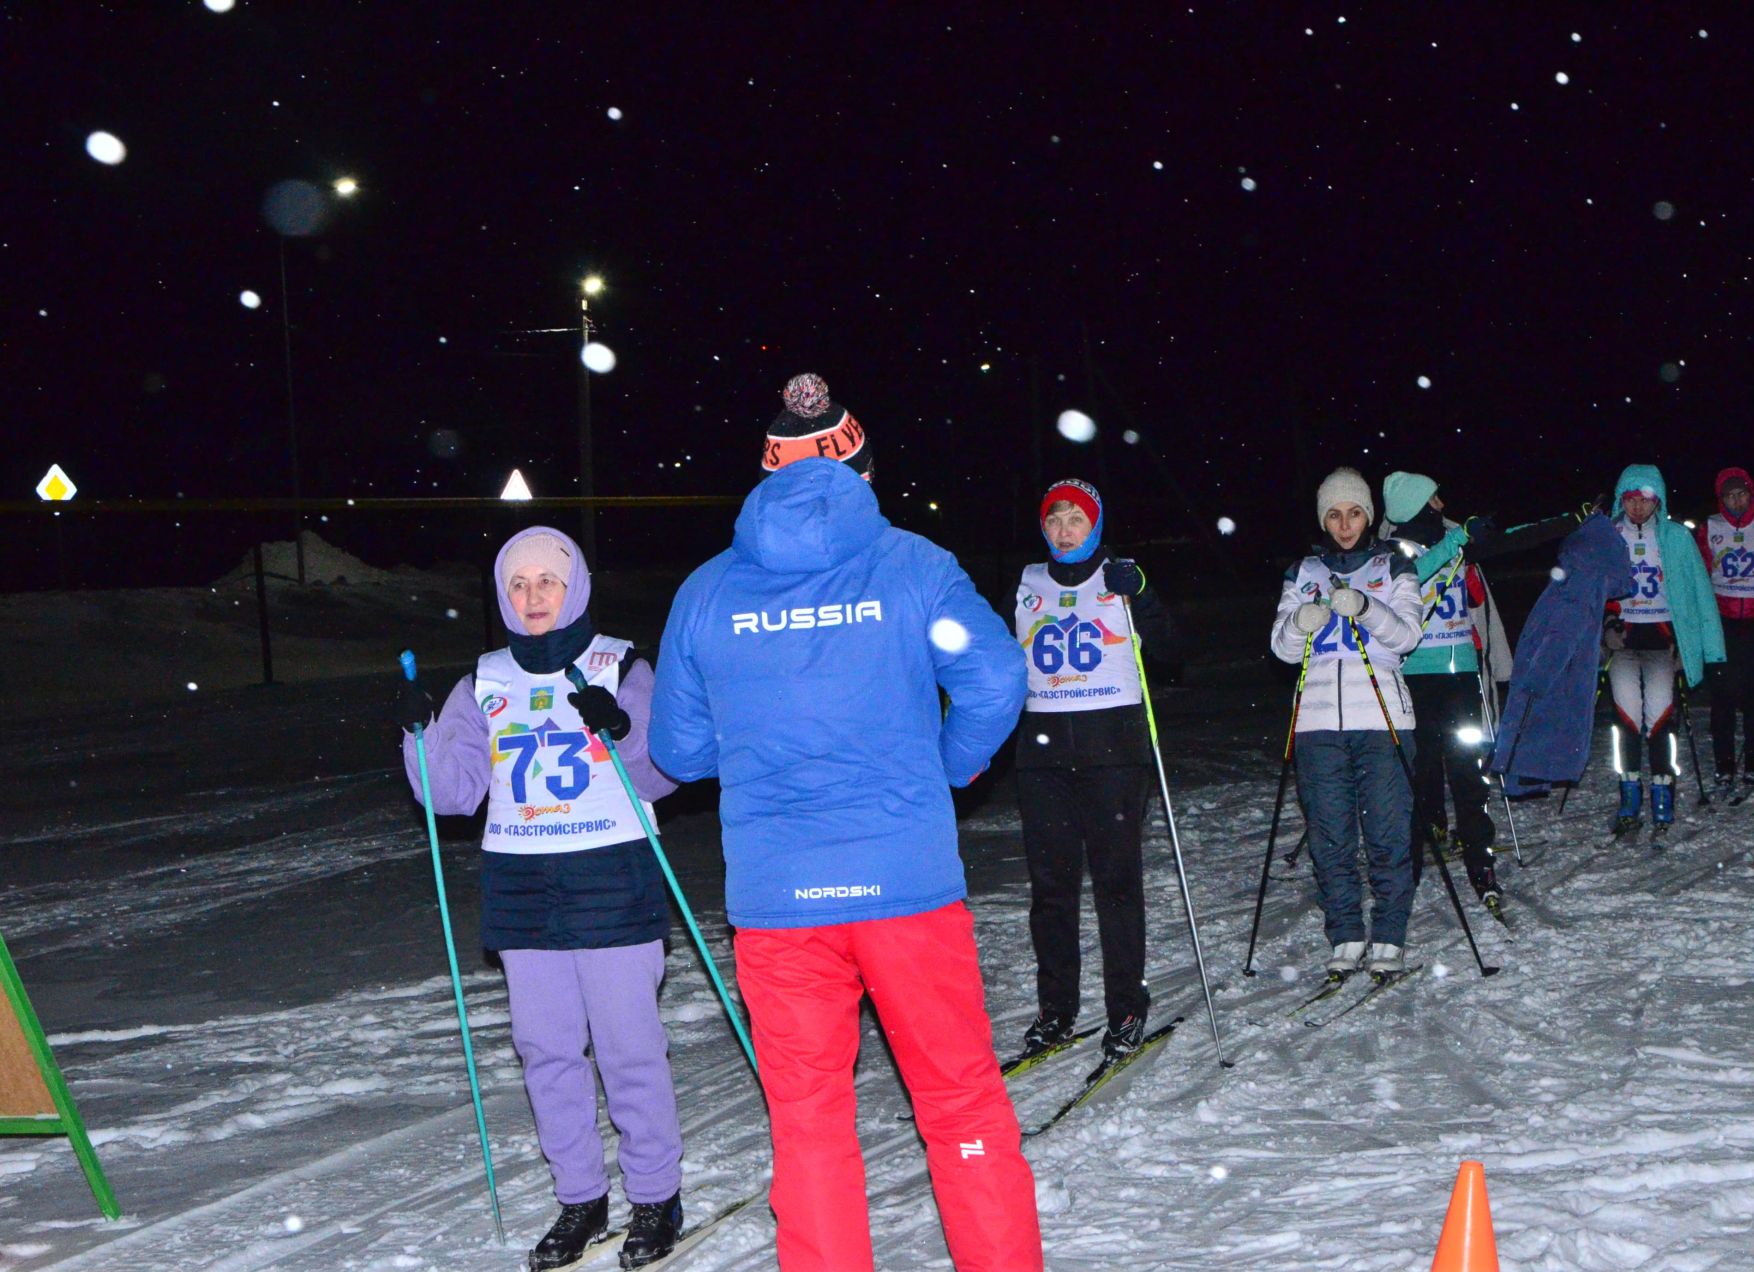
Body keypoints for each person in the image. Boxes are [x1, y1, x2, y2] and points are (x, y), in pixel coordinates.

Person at [647, 374, 1043, 1272]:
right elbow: (993, 677)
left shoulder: (707, 594)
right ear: (860, 468)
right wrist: (942, 766)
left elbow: (679, 747)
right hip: (906, 888)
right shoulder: (911, 566)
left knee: (811, 1127)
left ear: (765, 474)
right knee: (961, 1106)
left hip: (781, 899)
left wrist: (758, 731)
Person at [395, 526, 685, 1271]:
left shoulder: (620, 664)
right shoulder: (483, 680)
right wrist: (417, 733)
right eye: (518, 584)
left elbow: (664, 774)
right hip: (523, 885)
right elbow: (453, 795)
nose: (532, 597)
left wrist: (621, 731)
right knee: (546, 1051)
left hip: (611, 875)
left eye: (546, 582)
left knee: (628, 1049)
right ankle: (581, 1198)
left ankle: (655, 1195)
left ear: (575, 586)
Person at [1004, 478, 1178, 1063]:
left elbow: (1174, 652)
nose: (1062, 531)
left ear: (1096, 525)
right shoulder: (1028, 583)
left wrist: (1145, 597)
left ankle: (1126, 1007)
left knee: (1116, 886)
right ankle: (1056, 1011)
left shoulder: (1123, 578)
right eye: (1053, 520)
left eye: (1075, 520)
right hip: (1043, 760)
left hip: (1112, 754)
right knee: (1051, 892)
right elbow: (998, 660)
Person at [1270, 467, 1424, 980]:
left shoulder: (1395, 564)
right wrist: (1299, 622)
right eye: (1334, 515)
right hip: (1316, 723)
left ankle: (1389, 935)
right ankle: (1345, 934)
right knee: (1330, 836)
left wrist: (1365, 608)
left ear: (1368, 515)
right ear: (1323, 519)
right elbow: (1282, 648)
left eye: (1354, 512)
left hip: (1383, 718)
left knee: (1387, 833)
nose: (1344, 524)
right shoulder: (1302, 571)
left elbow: (1405, 637)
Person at [1380, 471, 1547, 913]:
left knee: (1470, 770)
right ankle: (1411, 863)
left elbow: (1512, 540)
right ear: (1417, 504)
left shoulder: (1454, 535)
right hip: (1414, 678)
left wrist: (1573, 519)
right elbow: (1412, 575)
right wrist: (1457, 542)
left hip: (1460, 675)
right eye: (1434, 496)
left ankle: (1480, 860)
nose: (1441, 502)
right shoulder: (1390, 550)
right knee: (1418, 773)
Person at [1601, 465, 1724, 837]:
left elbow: (1698, 591)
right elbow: (1593, 588)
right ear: (1622, 500)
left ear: (1658, 501)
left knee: (1659, 721)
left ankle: (1662, 793)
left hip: (1661, 638)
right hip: (1623, 640)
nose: (1638, 507)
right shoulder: (1608, 536)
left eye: (1646, 500)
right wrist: (1606, 627)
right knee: (1626, 721)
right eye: (1631, 500)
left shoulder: (1674, 538)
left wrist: (1703, 648)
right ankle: (1629, 794)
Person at [1696, 467, 1754, 798]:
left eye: (1742, 494)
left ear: (1751, 494)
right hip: (1723, 619)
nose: (1736, 502)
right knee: (1722, 694)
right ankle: (1724, 765)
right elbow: (1700, 570)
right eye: (1729, 496)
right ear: (1721, 498)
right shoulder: (1710, 528)